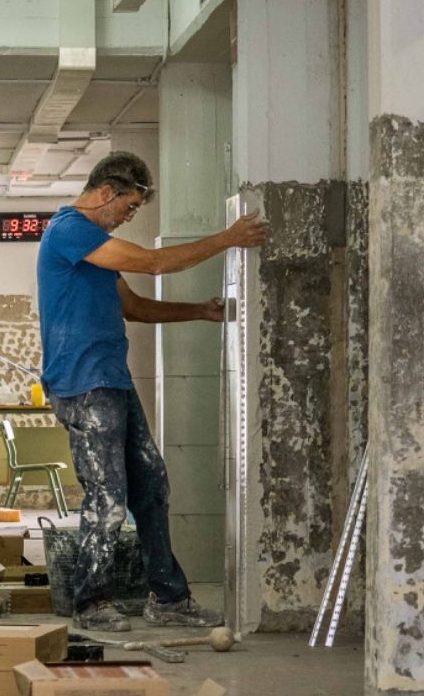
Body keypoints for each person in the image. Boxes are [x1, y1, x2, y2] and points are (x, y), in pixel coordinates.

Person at [37, 152, 268, 632]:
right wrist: (229, 239)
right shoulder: (69, 231)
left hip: (111, 380)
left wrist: (200, 311)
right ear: (107, 193)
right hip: (82, 384)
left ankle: (168, 598)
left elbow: (135, 307)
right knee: (108, 497)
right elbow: (155, 263)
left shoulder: (95, 250)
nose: (129, 215)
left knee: (151, 486)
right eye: (131, 206)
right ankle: (89, 603)